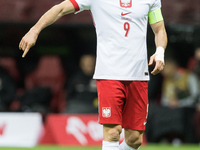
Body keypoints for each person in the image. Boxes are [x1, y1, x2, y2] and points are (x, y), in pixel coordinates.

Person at [19, 0, 167, 149]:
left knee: (135, 140)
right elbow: (61, 9)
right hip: (109, 74)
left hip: (139, 75)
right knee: (113, 133)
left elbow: (159, 29)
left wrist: (160, 52)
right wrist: (34, 31)